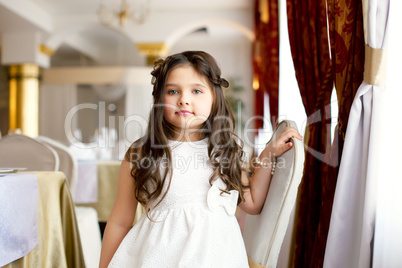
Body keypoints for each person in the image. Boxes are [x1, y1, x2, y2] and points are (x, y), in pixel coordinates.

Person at [99, 51, 302, 268]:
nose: (184, 99)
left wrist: (268, 154)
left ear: (214, 99)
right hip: (158, 258)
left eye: (196, 91)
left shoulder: (224, 150)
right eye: (173, 91)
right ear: (159, 99)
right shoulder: (143, 152)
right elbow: (120, 222)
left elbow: (251, 202)